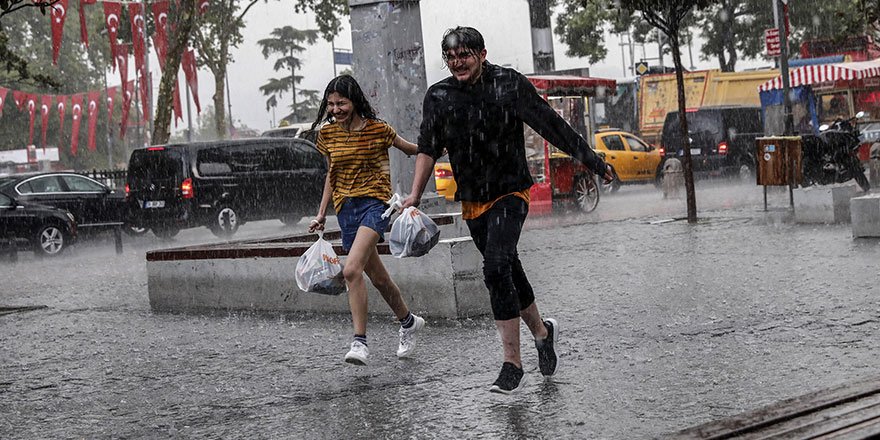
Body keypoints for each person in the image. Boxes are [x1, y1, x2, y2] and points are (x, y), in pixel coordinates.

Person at [402, 27, 613, 394]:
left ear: (482, 54)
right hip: (473, 199)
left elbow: (552, 125)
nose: (457, 63)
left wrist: (593, 162)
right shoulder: (439, 96)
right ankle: (542, 333)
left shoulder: (509, 83)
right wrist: (414, 196)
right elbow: (427, 147)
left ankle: (511, 363)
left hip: (511, 191)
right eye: (451, 58)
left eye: (464, 55)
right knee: (509, 270)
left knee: (495, 266)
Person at [308, 74, 425, 366]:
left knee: (350, 271)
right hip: (346, 209)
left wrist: (439, 148)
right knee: (379, 278)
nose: (335, 110)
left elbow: (411, 149)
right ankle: (408, 321)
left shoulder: (378, 130)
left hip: (375, 205)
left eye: (341, 103)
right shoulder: (327, 134)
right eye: (331, 104)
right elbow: (331, 175)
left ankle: (359, 342)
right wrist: (322, 213)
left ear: (355, 101)